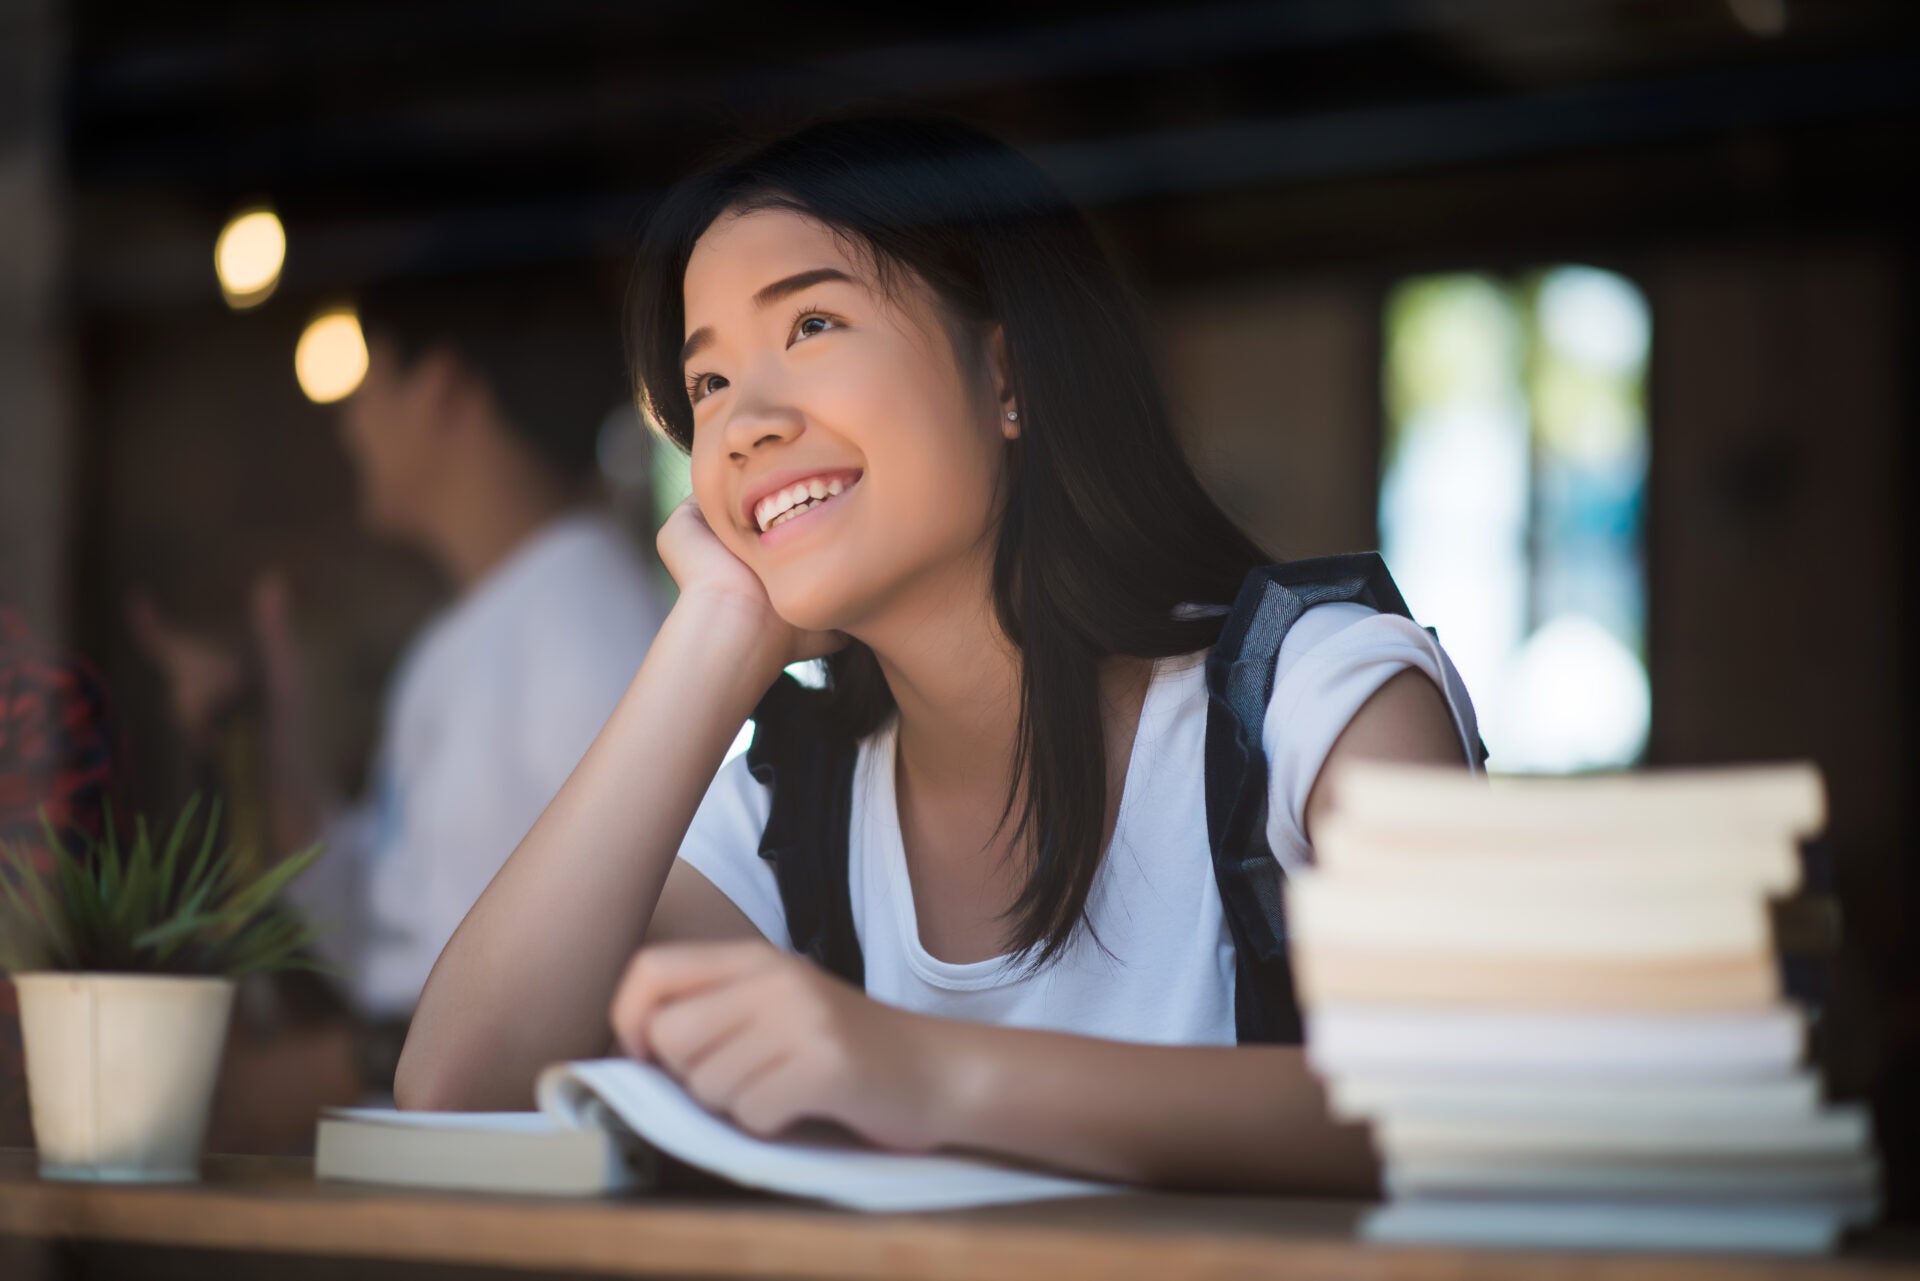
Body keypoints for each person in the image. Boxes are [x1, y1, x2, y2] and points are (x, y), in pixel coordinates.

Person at [396, 116, 1478, 1193]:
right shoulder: (794, 807)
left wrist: (930, 1078)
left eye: (811, 324)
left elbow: (1471, 1103)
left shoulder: (1316, 702)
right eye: (709, 384)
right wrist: (712, 642)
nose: (743, 425)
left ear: (1006, 372)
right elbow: (457, 1087)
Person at [132, 273, 666, 1063]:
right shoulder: (466, 636)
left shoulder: (585, 620)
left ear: (443, 388)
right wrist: (264, 739)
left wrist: (336, 1071)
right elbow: (389, 931)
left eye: (366, 382)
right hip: (430, 1137)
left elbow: (638, 949)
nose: (349, 425)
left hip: (495, 1163)